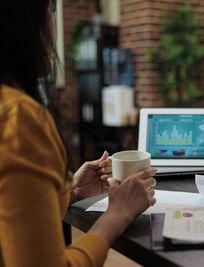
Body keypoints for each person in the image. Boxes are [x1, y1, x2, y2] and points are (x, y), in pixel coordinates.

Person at [0, 0, 156, 266]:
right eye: (50, 12)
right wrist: (118, 213)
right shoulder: (18, 118)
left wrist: (71, 192)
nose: (54, 28)